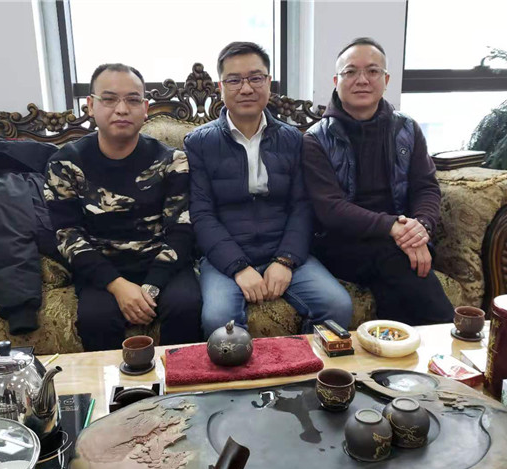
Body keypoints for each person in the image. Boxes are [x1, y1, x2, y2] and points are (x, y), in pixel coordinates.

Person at [185, 42, 353, 339]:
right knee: (218, 319)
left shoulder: (292, 139)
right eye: (234, 80)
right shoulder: (199, 142)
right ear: (220, 87)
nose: (246, 88)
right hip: (226, 257)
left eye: (255, 78)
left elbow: (303, 206)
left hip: (282, 249)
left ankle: (301, 363)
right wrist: (238, 267)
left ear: (269, 83)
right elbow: (202, 214)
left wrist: (285, 260)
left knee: (337, 305)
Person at [44, 63, 202, 351]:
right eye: (109, 99)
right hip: (101, 266)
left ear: (145, 108)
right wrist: (117, 286)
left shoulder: (172, 161)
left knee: (186, 306)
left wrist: (151, 287)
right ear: (90, 105)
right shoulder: (65, 163)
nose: (121, 109)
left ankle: (179, 381)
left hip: (163, 262)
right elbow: (67, 235)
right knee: (96, 319)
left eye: (132, 100)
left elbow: (182, 230)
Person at [302, 37, 454, 326]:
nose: (362, 80)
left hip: (398, 240)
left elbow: (426, 187)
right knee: (396, 258)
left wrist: (421, 227)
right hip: (340, 243)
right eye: (350, 72)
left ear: (386, 80)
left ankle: (392, 348)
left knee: (395, 268)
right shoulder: (316, 139)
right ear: (336, 81)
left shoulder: (407, 129)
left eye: (372, 71)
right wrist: (393, 227)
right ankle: (449, 332)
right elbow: (330, 209)